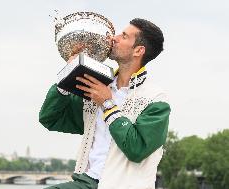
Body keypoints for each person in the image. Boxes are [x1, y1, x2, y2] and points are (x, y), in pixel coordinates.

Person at [39, 18, 171, 189]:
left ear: (138, 50)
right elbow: (51, 118)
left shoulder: (156, 99)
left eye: (123, 36)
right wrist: (69, 75)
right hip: (87, 182)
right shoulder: (97, 87)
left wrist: (107, 103)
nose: (113, 38)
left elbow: (137, 149)